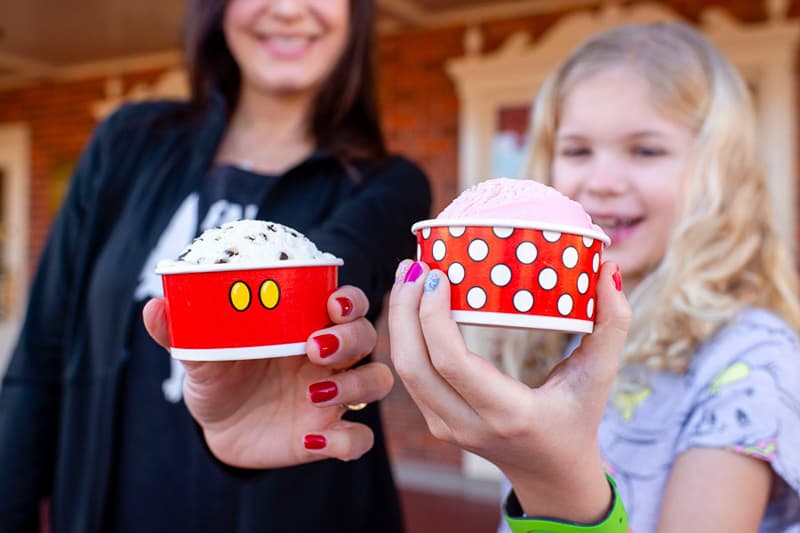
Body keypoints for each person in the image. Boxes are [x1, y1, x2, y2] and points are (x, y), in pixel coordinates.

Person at [0, 0, 430, 531]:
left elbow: (340, 257)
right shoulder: (127, 143)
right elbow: (40, 353)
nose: (290, 9)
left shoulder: (388, 184)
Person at [387, 22, 800, 533]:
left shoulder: (752, 358)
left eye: (646, 150)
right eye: (578, 150)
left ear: (722, 176)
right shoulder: (567, 331)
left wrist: (560, 491)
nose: (602, 183)